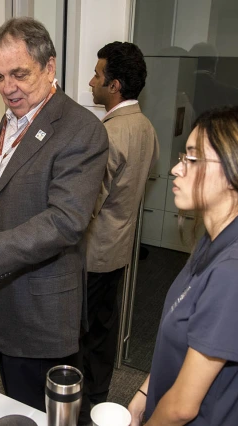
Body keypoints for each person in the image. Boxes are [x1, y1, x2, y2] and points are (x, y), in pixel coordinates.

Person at [0, 17, 108, 414]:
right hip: (1, 293)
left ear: (50, 67)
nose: (8, 87)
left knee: (43, 414)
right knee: (14, 406)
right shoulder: (16, 116)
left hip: (40, 310)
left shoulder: (81, 130)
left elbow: (65, 221)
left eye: (19, 74)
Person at [128, 105, 238, 426]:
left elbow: (182, 408)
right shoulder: (219, 237)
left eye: (193, 159)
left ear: (237, 170)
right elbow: (186, 341)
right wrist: (143, 395)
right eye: (184, 157)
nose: (177, 170)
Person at [83, 41, 159, 406]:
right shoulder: (145, 127)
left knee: (82, 333)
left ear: (114, 85)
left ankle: (80, 406)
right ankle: (98, 397)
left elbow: (87, 205)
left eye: (98, 75)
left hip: (93, 252)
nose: (91, 81)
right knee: (102, 328)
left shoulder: (110, 134)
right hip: (120, 247)